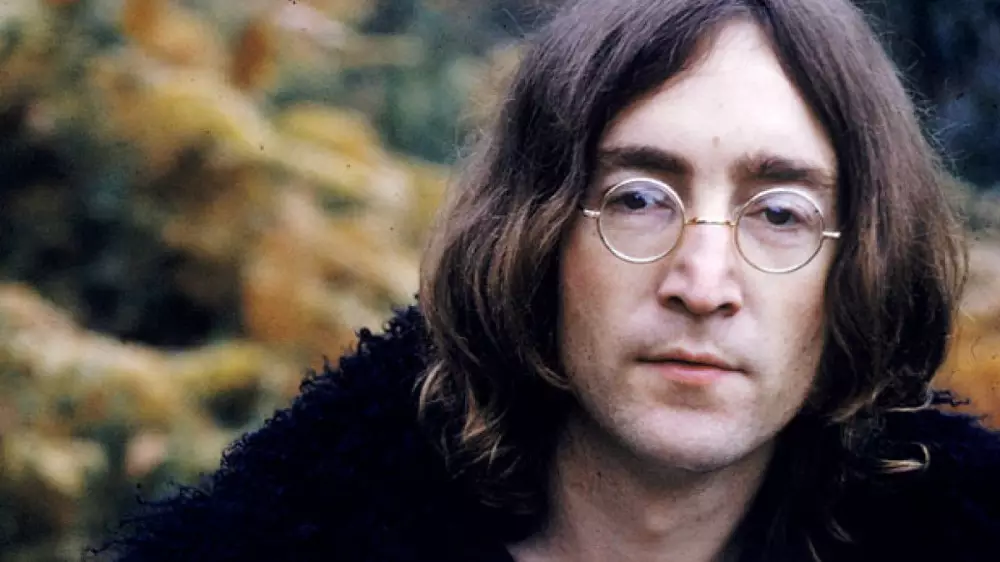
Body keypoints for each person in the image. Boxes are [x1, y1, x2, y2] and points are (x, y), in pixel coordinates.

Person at [92, 0, 1000, 561]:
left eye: (780, 214)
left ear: (860, 265)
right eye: (639, 198)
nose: (702, 283)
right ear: (535, 234)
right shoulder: (277, 539)